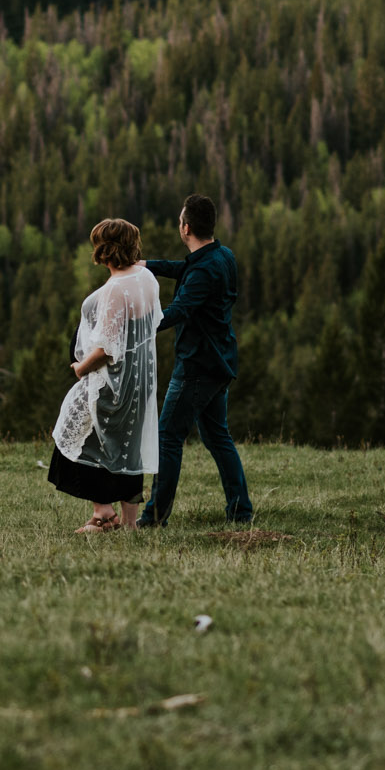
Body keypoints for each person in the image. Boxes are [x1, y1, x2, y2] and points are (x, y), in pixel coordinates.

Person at [137, 194, 254, 528]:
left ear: (185, 227)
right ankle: (240, 511)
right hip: (220, 362)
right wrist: (148, 266)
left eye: (179, 221)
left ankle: (154, 517)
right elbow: (184, 269)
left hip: (197, 367)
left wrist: (136, 326)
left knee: (169, 438)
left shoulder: (203, 269)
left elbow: (179, 310)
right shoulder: (222, 255)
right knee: (218, 438)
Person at [48, 219, 161, 534]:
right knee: (128, 445)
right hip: (141, 382)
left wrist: (81, 368)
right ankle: (127, 522)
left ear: (104, 250)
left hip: (114, 381)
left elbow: (107, 348)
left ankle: (102, 513)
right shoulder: (147, 278)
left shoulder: (115, 289)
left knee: (76, 438)